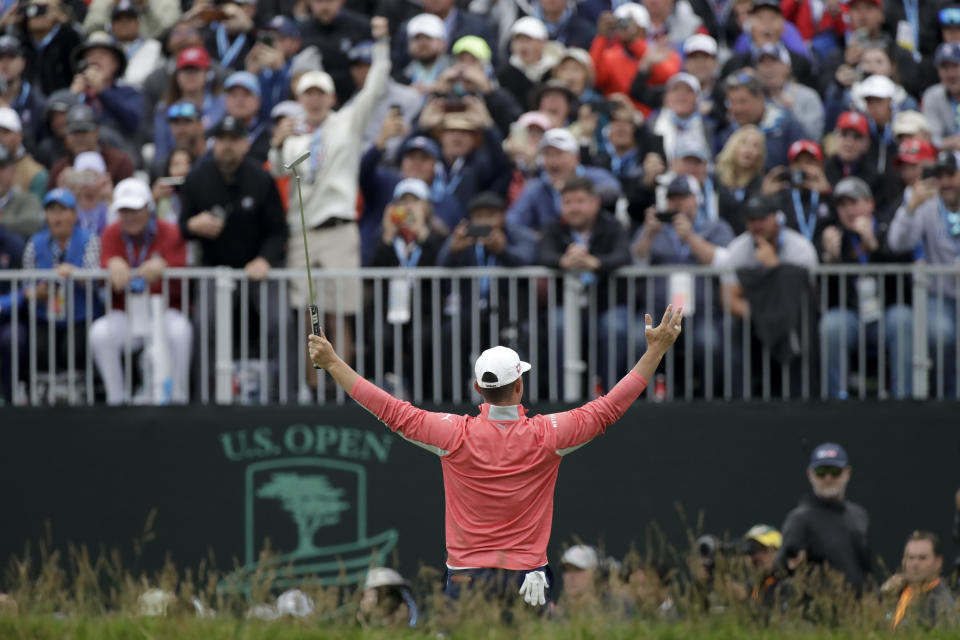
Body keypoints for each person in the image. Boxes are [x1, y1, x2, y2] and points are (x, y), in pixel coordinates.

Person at [308, 289, 683, 607]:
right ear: (519, 385)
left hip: (466, 580)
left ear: (477, 390)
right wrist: (655, 351)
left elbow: (388, 409)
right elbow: (608, 409)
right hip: (528, 580)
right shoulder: (546, 434)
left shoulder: (454, 434)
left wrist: (333, 361)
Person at [270, 16, 390, 376]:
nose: (315, 100)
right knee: (311, 320)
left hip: (338, 227)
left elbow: (375, 86)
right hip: (303, 233)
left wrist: (381, 43)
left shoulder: (346, 123)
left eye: (320, 93)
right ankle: (312, 393)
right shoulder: (293, 137)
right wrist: (276, 145)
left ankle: (344, 392)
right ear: (300, 98)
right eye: (309, 93)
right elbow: (278, 170)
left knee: (339, 315)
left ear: (332, 97)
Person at [179, 115, 290, 402]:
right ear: (214, 144)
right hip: (216, 272)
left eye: (234, 140)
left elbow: (279, 231)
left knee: (282, 321)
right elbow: (182, 226)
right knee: (203, 324)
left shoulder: (261, 179)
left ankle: (286, 398)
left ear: (245, 144)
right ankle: (203, 398)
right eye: (222, 140)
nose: (227, 146)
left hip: (258, 270)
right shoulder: (196, 178)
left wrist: (265, 259)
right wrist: (194, 225)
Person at [89, 178, 191, 405]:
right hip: (126, 313)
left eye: (135, 209)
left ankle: (177, 397)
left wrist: (164, 267)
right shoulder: (110, 233)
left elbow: (182, 271)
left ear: (149, 208)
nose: (130, 216)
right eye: (124, 210)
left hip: (163, 311)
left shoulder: (171, 232)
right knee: (100, 334)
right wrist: (111, 266)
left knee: (180, 332)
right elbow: (104, 268)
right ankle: (116, 400)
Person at [631, 175, 734, 395]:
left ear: (697, 200)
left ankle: (707, 401)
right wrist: (649, 234)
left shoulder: (714, 227)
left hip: (703, 314)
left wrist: (690, 237)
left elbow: (725, 262)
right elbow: (637, 260)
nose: (676, 203)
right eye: (672, 198)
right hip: (657, 313)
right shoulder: (653, 228)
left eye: (683, 198)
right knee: (636, 341)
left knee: (708, 344)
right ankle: (644, 403)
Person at [818, 177, 917, 399]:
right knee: (831, 325)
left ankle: (903, 398)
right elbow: (825, 295)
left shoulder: (888, 228)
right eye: (842, 205)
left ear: (870, 203)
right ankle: (836, 399)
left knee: (903, 320)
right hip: (851, 315)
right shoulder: (832, 237)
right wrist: (829, 259)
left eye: (853, 202)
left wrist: (875, 246)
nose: (848, 210)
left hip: (886, 312)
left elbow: (904, 273)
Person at [539, 177, 632, 391]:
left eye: (580, 201)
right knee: (558, 325)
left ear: (595, 203)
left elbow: (623, 255)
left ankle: (610, 399)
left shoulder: (612, 225)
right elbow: (542, 254)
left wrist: (595, 263)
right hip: (565, 306)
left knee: (616, 327)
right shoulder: (554, 229)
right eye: (568, 202)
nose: (574, 208)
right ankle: (562, 399)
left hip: (606, 304)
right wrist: (563, 261)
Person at [887, 150, 960, 396]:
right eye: (940, 176)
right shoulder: (926, 203)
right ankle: (944, 399)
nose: (945, 182)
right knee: (942, 334)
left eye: (951, 175)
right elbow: (898, 243)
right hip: (936, 295)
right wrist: (909, 209)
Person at [17, 188, 101, 394]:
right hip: (46, 315)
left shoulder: (89, 240)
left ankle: (80, 391)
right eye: (52, 211)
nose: (57, 216)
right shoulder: (35, 243)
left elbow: (95, 279)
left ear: (74, 214)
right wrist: (36, 292)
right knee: (39, 347)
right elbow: (26, 285)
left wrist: (74, 273)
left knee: (73, 348)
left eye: (62, 210)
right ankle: (43, 392)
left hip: (81, 316)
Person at [777, 443, 873, 594]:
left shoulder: (859, 515)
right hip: (819, 612)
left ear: (847, 473)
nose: (828, 478)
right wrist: (790, 564)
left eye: (835, 471)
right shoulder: (799, 519)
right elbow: (782, 566)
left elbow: (867, 569)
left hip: (858, 611)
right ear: (810, 474)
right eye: (821, 471)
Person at [507, 128, 620, 232]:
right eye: (547, 155)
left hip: (596, 243)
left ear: (576, 157)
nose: (553, 162)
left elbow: (613, 191)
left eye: (559, 154)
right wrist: (536, 240)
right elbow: (512, 221)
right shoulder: (537, 188)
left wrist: (575, 192)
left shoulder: (594, 175)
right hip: (552, 249)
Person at [590, 4, 681, 117]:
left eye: (636, 27)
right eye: (623, 26)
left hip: (651, 120)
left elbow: (669, 78)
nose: (628, 30)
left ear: (644, 29)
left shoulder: (660, 50)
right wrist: (601, 37)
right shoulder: (610, 56)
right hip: (617, 118)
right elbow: (593, 79)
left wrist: (635, 43)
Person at [715, 71, 804, 171]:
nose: (737, 109)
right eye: (731, 102)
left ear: (760, 99)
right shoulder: (728, 134)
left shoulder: (788, 126)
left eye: (742, 101)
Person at [69, 31, 144, 139]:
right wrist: (71, 97)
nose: (94, 61)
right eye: (89, 56)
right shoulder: (78, 94)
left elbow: (133, 122)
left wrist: (102, 91)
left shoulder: (129, 93)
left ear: (115, 64)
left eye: (101, 56)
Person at [882, 531, 959, 630]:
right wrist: (883, 596)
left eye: (922, 558)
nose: (915, 564)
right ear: (903, 561)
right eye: (910, 557)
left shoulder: (942, 606)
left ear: (938, 562)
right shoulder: (893, 592)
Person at [299, 0, 371, 103]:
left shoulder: (361, 27)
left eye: (329, 1)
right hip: (316, 100)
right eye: (319, 2)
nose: (324, 7)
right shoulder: (301, 31)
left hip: (356, 98)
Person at [50, 103, 135, 187]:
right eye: (75, 133)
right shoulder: (59, 170)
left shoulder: (119, 162)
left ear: (96, 133)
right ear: (66, 136)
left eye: (84, 132)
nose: (79, 138)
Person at [15, 0, 84, 96]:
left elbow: (81, 53)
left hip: (59, 102)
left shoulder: (68, 38)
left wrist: (64, 19)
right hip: (25, 104)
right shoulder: (20, 41)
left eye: (43, 10)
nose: (37, 14)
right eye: (34, 9)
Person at [714, 125, 767, 235]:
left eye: (755, 146)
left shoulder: (762, 183)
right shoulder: (716, 178)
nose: (749, 150)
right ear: (733, 146)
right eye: (744, 143)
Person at [0, 35, 46, 152]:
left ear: (22, 63)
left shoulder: (37, 104)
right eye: (0, 58)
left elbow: (41, 146)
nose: (4, 64)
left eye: (10, 57)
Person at [497, 17, 555, 109]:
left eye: (528, 40)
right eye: (518, 40)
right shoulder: (505, 74)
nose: (523, 46)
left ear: (542, 43)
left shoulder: (554, 71)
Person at [107, 1, 163, 90]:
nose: (124, 24)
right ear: (112, 25)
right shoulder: (105, 49)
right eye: (119, 20)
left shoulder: (154, 46)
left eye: (128, 19)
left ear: (137, 23)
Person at [0, 222, 25, 404]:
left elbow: (26, 290)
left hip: (10, 318)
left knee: (13, 338)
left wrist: (3, 304)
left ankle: (10, 400)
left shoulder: (15, 245)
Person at [395, 13, 451, 93]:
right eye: (417, 38)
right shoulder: (399, 80)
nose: (423, 43)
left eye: (429, 37)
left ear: (443, 43)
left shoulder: (458, 77)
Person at [0, 107, 47, 200]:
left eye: (5, 132)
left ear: (19, 135)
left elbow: (34, 210)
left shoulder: (35, 173)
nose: (0, 138)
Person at [922, 43, 960, 152]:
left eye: (955, 66)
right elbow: (931, 139)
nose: (950, 74)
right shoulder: (932, 95)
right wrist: (953, 143)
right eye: (945, 67)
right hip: (944, 160)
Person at [0, 145, 43, 239]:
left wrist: (2, 221)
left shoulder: (28, 198)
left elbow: (33, 223)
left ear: (13, 171)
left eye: (1, 168)